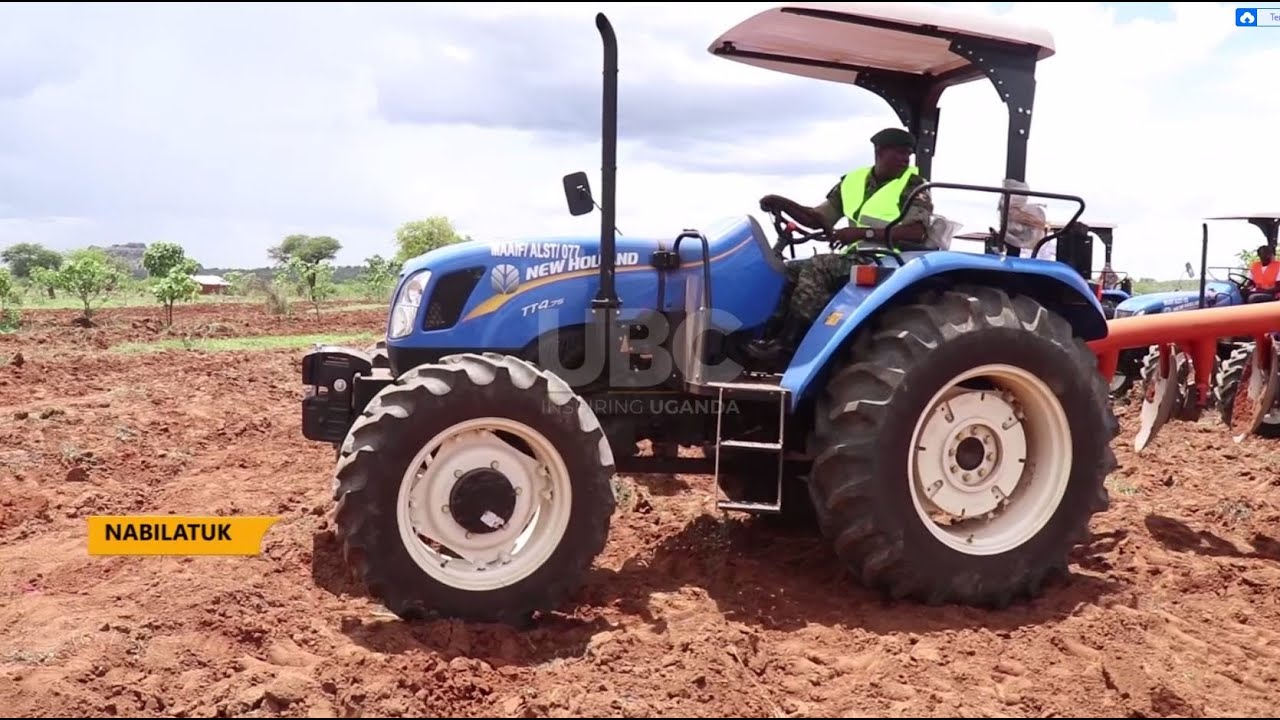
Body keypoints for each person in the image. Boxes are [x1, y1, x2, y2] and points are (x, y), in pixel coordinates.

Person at [745, 127, 935, 367]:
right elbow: (818, 217)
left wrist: (860, 232)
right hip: (855, 256)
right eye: (899, 153)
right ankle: (767, 337)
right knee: (787, 270)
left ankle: (791, 345)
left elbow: (915, 232)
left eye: (908, 154)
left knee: (819, 266)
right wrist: (783, 203)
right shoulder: (853, 181)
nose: (905, 159)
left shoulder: (914, 186)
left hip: (886, 259)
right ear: (879, 152)